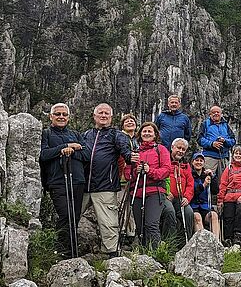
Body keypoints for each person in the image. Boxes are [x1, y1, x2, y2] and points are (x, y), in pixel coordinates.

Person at [82, 103, 139, 258]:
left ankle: (111, 253)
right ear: (94, 116)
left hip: (105, 185)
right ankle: (66, 248)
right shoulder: (86, 135)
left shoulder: (116, 134)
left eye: (107, 113)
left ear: (111, 117)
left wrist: (129, 157)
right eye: (100, 112)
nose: (103, 115)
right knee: (71, 216)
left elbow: (124, 150)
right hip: (83, 185)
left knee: (108, 222)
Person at [39, 103, 91, 258]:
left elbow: (87, 155)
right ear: (51, 116)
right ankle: (62, 252)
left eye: (64, 114)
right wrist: (65, 147)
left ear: (68, 117)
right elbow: (43, 155)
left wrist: (72, 151)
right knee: (65, 215)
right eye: (57, 114)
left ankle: (73, 251)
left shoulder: (76, 134)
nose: (61, 117)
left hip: (77, 181)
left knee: (74, 217)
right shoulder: (46, 134)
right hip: (57, 181)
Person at [126, 122, 171, 249]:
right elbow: (128, 172)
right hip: (137, 191)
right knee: (140, 226)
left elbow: (166, 170)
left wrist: (149, 171)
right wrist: (136, 171)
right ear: (140, 134)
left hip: (155, 191)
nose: (146, 133)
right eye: (144, 131)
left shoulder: (161, 150)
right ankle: (144, 253)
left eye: (149, 131)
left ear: (155, 134)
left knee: (151, 223)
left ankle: (156, 253)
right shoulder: (135, 152)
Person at [217, 146, 241, 246]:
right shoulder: (228, 168)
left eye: (240, 154)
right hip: (229, 196)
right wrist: (220, 200)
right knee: (228, 215)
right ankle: (228, 237)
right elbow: (223, 184)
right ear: (233, 156)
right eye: (236, 153)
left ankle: (238, 235)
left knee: (240, 211)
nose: (238, 155)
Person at [166, 138, 194, 244]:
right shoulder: (165, 161)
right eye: (178, 148)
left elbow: (190, 184)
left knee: (188, 212)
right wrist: (166, 191)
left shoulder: (186, 166)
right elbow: (160, 177)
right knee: (170, 212)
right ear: (172, 147)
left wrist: (187, 197)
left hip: (181, 198)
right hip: (167, 196)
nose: (181, 151)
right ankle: (169, 243)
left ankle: (186, 243)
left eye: (183, 149)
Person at [189, 152, 220, 239]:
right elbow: (192, 192)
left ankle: (216, 242)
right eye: (196, 160)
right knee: (197, 217)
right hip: (194, 205)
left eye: (201, 161)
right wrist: (203, 185)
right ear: (192, 162)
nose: (199, 162)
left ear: (204, 163)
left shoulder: (207, 175)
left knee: (213, 215)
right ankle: (203, 243)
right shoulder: (189, 175)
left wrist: (213, 177)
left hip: (205, 206)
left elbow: (215, 191)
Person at [198, 105, 236, 174]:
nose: (216, 114)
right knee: (207, 178)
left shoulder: (225, 125)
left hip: (223, 157)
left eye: (218, 112)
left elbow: (233, 140)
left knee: (223, 180)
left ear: (221, 114)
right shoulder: (205, 124)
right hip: (209, 157)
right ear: (210, 114)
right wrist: (212, 144)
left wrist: (225, 141)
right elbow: (200, 139)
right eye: (213, 112)